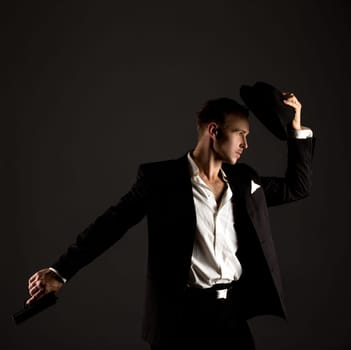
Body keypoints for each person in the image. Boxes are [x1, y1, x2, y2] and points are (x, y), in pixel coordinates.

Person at [26, 92, 314, 350]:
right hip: (180, 319)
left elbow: (297, 187)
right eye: (240, 134)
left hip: (232, 315)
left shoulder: (244, 180)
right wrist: (60, 272)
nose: (246, 144)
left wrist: (296, 128)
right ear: (214, 130)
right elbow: (111, 224)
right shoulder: (160, 179)